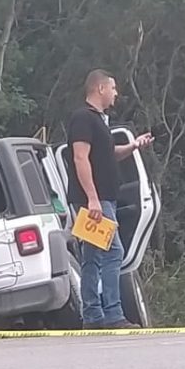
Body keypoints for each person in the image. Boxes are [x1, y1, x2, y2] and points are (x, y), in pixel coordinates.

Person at [66, 69, 154, 329]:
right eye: (113, 88)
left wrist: (134, 146)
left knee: (92, 256)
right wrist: (92, 199)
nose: (116, 94)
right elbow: (80, 157)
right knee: (114, 251)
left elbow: (108, 154)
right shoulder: (83, 118)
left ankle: (93, 316)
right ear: (100, 88)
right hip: (96, 200)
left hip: (105, 198)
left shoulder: (100, 121)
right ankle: (113, 314)